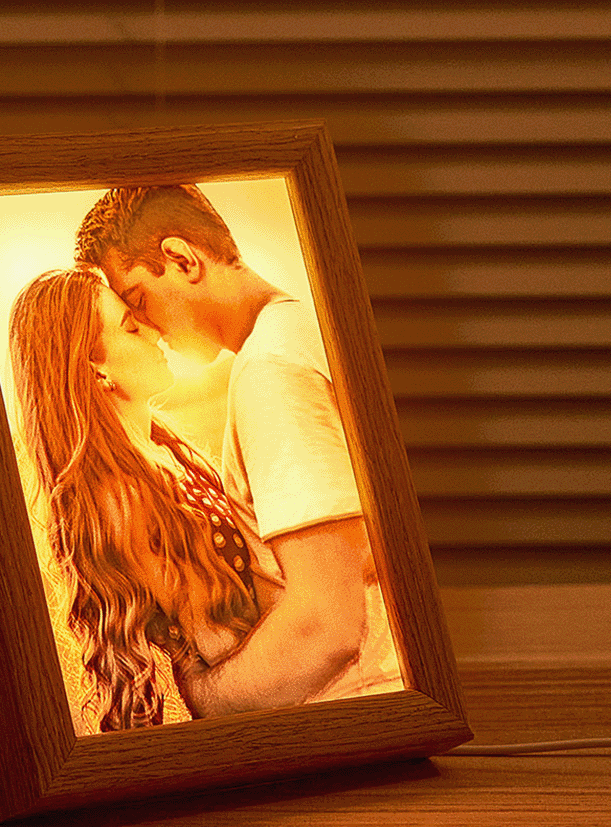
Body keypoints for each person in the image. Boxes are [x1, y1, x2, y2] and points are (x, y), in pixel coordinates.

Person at [75, 185, 403, 718]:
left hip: (356, 704)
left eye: (138, 301)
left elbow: (327, 624)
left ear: (182, 259)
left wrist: (207, 699)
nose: (150, 329)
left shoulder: (271, 372)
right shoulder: (308, 328)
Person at [8, 267, 260, 733]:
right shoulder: (121, 499)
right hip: (253, 703)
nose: (154, 330)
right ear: (94, 368)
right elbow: (219, 643)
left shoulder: (168, 451)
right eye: (130, 326)